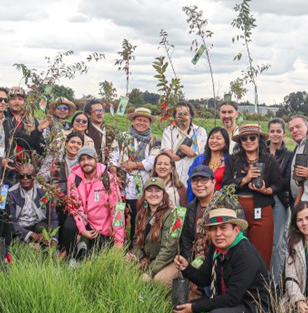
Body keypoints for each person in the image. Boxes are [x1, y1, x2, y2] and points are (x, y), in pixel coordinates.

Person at [172, 208, 271, 313]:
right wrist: (186, 268)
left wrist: (195, 307)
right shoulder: (216, 248)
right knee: (196, 308)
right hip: (236, 304)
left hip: (254, 309)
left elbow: (231, 298)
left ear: (236, 230)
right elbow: (204, 278)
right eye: (213, 229)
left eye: (223, 228)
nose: (218, 234)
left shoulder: (246, 255)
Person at [221, 124, 281, 268]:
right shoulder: (232, 160)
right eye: (244, 139)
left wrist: (267, 190)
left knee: (262, 251)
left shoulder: (269, 160)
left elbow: (279, 183)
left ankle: (260, 281)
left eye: (252, 138)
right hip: (237, 209)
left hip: (262, 208)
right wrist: (244, 179)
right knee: (236, 250)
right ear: (240, 142)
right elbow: (225, 185)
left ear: (259, 139)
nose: (248, 141)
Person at [61, 146, 125, 258]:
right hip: (82, 220)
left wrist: (118, 240)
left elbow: (118, 208)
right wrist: (82, 230)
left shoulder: (108, 178)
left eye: (89, 158)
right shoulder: (73, 178)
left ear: (96, 159)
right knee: (69, 226)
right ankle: (71, 254)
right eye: (82, 159)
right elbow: (74, 207)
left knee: (97, 256)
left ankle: (84, 246)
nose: (86, 162)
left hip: (101, 227)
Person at [126, 177, 181, 286]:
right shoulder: (141, 214)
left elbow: (169, 249)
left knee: (158, 280)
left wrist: (150, 271)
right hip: (148, 258)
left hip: (169, 261)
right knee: (125, 267)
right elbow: (136, 241)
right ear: (144, 194)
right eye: (149, 190)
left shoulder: (172, 214)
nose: (153, 194)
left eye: (157, 190)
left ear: (163, 194)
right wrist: (136, 256)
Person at [119, 107, 160, 244]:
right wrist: (116, 168)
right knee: (120, 215)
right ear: (133, 121)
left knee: (139, 218)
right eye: (139, 120)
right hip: (122, 184)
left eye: (145, 121)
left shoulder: (154, 141)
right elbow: (114, 157)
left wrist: (134, 165)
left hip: (142, 185)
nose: (141, 123)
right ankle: (118, 244)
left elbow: (152, 161)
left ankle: (136, 245)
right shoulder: (123, 137)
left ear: (149, 123)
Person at [267, 118, 293, 287]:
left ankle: (275, 284)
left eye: (279, 131)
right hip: (261, 199)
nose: (275, 134)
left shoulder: (288, 155)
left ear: (284, 133)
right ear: (268, 132)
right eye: (272, 131)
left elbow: (286, 180)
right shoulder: (260, 151)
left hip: (279, 199)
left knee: (277, 242)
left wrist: (271, 188)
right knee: (262, 240)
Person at [7, 163, 58, 248]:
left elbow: (53, 218)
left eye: (29, 176)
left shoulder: (44, 192)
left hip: (37, 225)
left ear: (34, 177)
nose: (25, 178)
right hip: (20, 229)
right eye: (21, 176)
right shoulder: (11, 194)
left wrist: (54, 238)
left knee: (43, 227)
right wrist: (32, 235)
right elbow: (11, 222)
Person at [161, 101, 207, 180]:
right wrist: (174, 156)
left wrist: (189, 151)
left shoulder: (199, 131)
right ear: (175, 116)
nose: (182, 117)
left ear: (191, 116)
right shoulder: (169, 130)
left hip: (194, 175)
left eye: (185, 114)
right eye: (179, 114)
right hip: (173, 175)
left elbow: (201, 153)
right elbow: (167, 151)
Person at [180, 165, 216, 262]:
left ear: (213, 182)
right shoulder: (190, 208)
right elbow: (186, 239)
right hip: (196, 261)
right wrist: (189, 263)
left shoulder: (226, 204)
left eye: (204, 179)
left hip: (218, 260)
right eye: (195, 180)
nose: (199, 184)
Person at [187, 126, 230, 201]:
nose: (214, 141)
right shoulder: (199, 160)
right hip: (200, 201)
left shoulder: (229, 161)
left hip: (220, 202)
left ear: (225, 143)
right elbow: (191, 181)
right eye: (211, 138)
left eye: (218, 138)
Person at [287, 115, 308, 207]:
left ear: (307, 126)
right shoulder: (297, 148)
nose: (295, 131)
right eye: (291, 129)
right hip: (296, 202)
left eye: (298, 126)